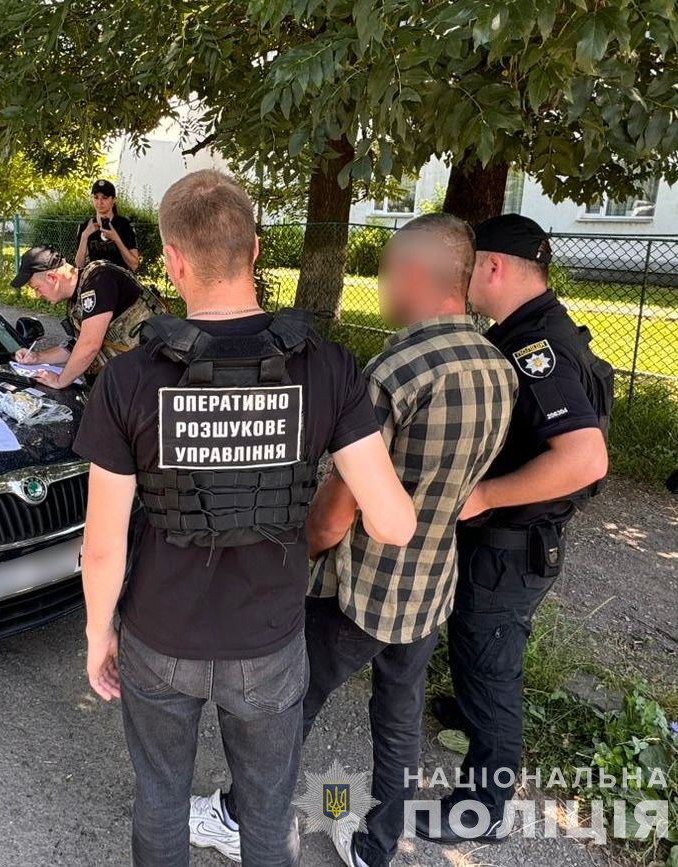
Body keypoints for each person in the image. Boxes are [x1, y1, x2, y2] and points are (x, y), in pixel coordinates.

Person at [74, 169, 418, 867]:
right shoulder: (327, 367)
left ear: (171, 259)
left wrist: (94, 635)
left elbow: (103, 542)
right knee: (266, 812)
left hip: (157, 636)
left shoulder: (128, 378)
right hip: (267, 638)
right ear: (255, 250)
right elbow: (393, 523)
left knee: (161, 798)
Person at [187, 214, 518, 867]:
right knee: (398, 714)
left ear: (418, 276)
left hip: (359, 586)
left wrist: (294, 555)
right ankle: (376, 843)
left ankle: (237, 814)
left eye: (387, 269)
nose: (380, 282)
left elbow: (339, 502)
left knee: (286, 702)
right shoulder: (496, 365)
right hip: (430, 585)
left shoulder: (395, 369)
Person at [417, 214, 613, 845]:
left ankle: (485, 806)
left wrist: (485, 495)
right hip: (508, 544)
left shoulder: (537, 349)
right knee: (480, 655)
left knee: (490, 662)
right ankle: (475, 714)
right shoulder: (530, 329)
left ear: (493, 267)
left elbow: (585, 457)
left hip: (511, 547)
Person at [9, 243, 165, 387]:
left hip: (149, 382)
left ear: (52, 278)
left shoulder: (99, 279)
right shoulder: (76, 298)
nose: (37, 295)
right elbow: (78, 345)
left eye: (36, 288)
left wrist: (60, 380)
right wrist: (37, 357)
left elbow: (89, 345)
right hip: (128, 383)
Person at [73, 178, 140, 271]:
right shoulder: (85, 226)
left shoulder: (124, 225)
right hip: (95, 279)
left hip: (119, 280)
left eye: (104, 198)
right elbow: (79, 266)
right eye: (96, 197)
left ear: (113, 200)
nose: (100, 202)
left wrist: (116, 238)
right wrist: (85, 236)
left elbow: (134, 265)